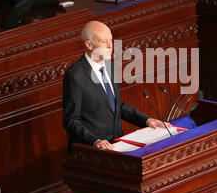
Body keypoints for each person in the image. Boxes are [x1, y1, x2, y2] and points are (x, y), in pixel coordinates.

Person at [63, 21, 171, 151]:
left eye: (111, 40)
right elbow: (71, 121)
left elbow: (117, 105)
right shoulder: (75, 75)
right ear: (89, 44)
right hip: (91, 150)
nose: (110, 46)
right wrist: (95, 141)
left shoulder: (109, 66)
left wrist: (147, 120)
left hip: (117, 145)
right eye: (104, 41)